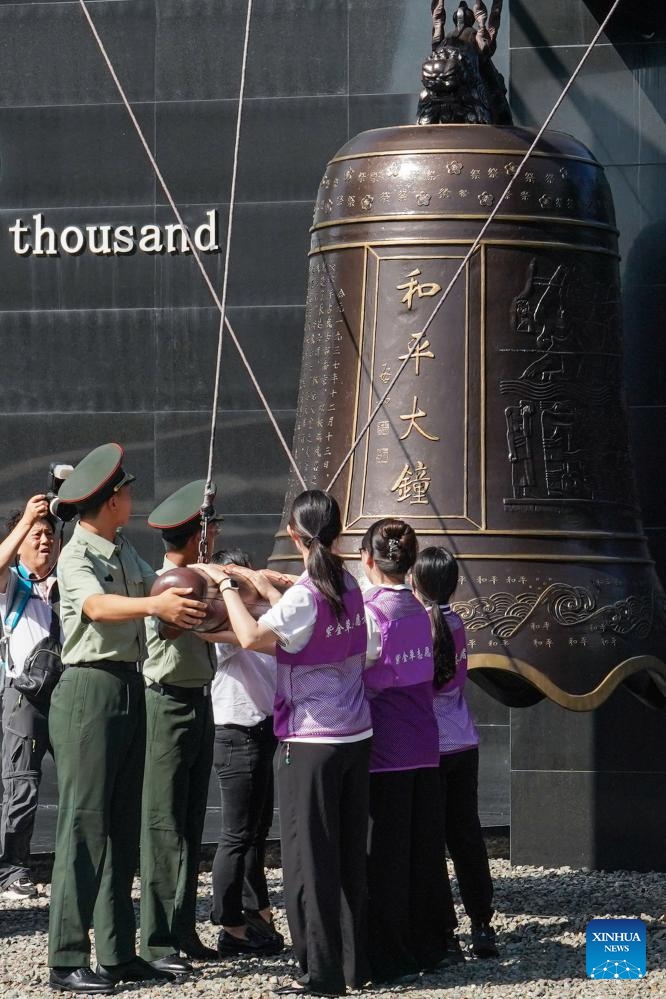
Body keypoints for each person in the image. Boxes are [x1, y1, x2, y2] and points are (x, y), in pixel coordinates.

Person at [47, 443, 207, 995]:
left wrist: (214, 580)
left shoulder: (120, 551)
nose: (133, 499)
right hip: (90, 690)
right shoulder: (78, 555)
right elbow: (96, 608)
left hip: (128, 686)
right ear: (112, 501)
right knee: (83, 826)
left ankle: (116, 953)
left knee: (119, 827)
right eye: (127, 492)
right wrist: (155, 608)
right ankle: (66, 957)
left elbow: (162, 580)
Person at [199, 490, 372, 997]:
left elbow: (253, 637)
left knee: (307, 860)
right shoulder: (351, 582)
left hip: (310, 739)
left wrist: (229, 586)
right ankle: (354, 965)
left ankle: (319, 972)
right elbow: (299, 611)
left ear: (294, 536)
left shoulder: (305, 596)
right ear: (337, 532)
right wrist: (266, 583)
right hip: (356, 734)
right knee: (346, 855)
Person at [360, 518, 463, 984]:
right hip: (425, 743)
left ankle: (390, 952)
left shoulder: (370, 612)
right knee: (422, 852)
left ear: (367, 560)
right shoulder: (423, 613)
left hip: (386, 748)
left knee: (386, 856)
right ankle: (431, 943)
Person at [139, 480, 226, 976]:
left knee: (191, 824)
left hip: (198, 700)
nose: (214, 535)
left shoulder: (199, 576)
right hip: (167, 703)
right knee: (163, 826)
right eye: (210, 527)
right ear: (197, 535)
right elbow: (174, 628)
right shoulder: (166, 584)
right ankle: (157, 939)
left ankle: (182, 926)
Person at [412, 545, 498, 959]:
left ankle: (443, 932)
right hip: (464, 742)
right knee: (466, 837)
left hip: (431, 748)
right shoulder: (458, 622)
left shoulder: (418, 628)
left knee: (430, 842)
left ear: (415, 582)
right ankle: (482, 923)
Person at [208, 548, 283, 957]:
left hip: (262, 730)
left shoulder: (260, 620)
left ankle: (258, 914)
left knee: (255, 833)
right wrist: (228, 584)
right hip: (237, 732)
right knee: (237, 835)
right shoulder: (228, 620)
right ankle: (230, 926)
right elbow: (231, 634)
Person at [0, 495, 60, 899]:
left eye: (50, 536)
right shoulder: (12, 583)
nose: (45, 541)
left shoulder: (64, 582)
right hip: (23, 696)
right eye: (37, 535)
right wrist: (27, 519)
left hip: (68, 692)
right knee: (21, 783)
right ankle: (11, 872)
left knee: (80, 782)